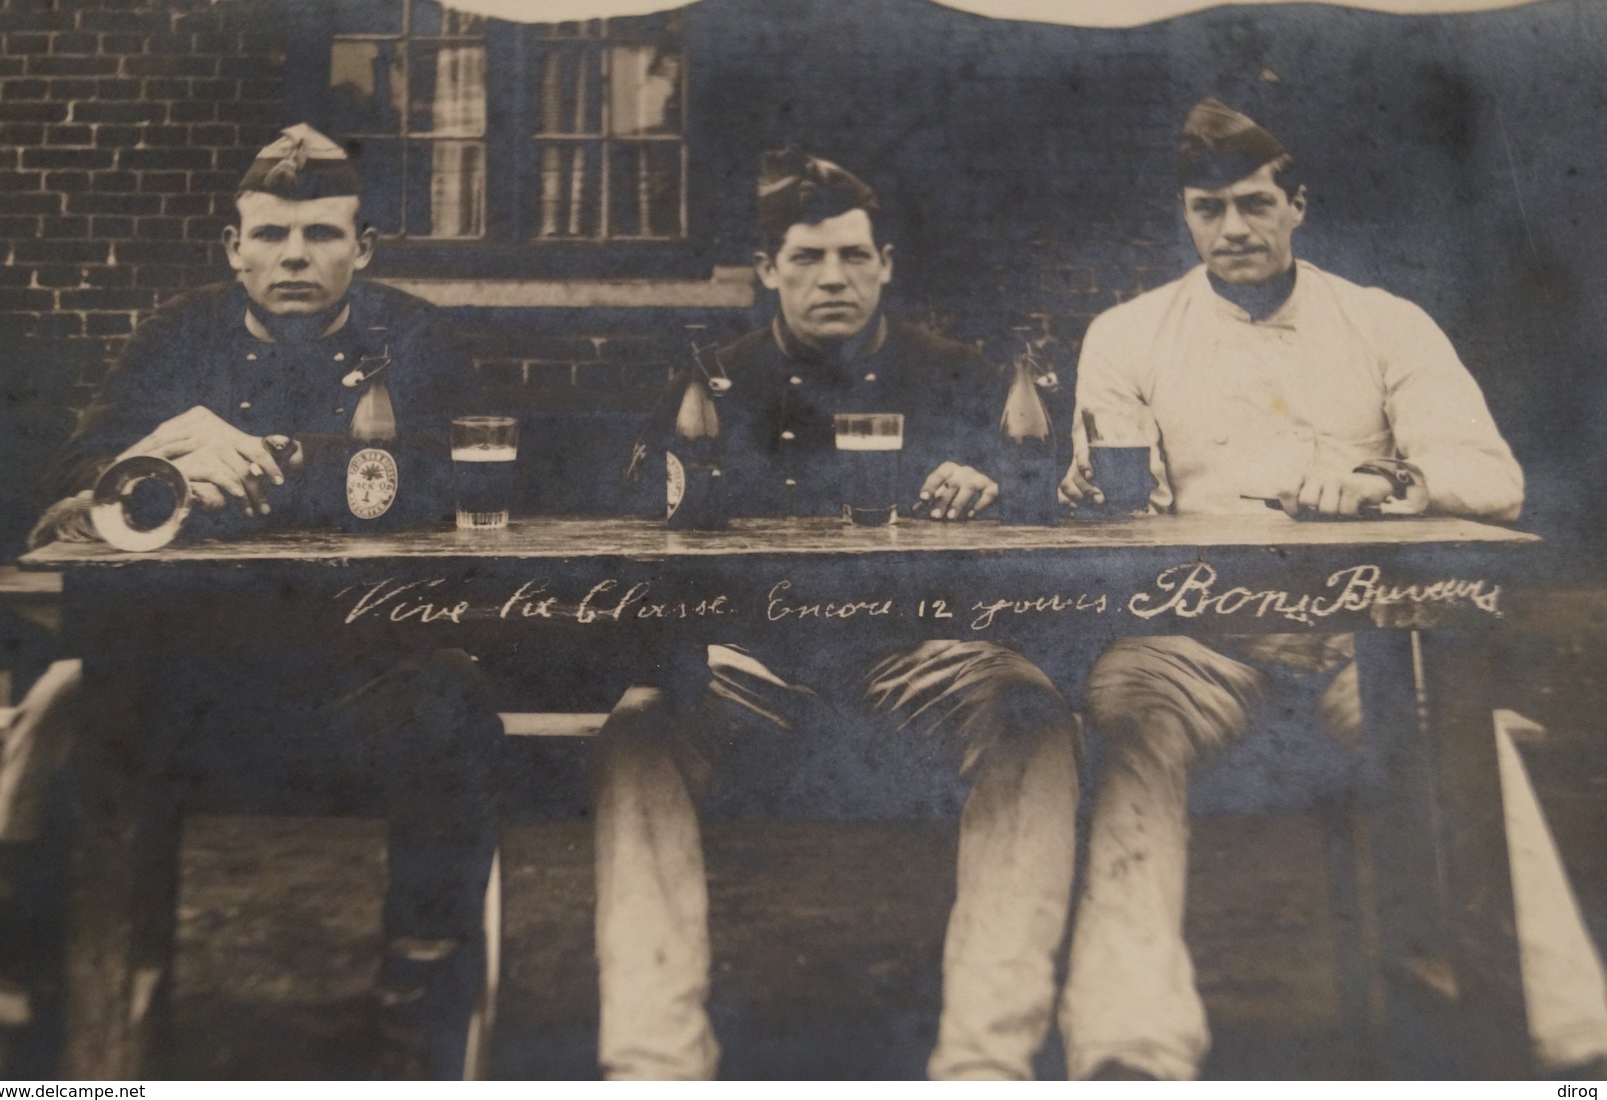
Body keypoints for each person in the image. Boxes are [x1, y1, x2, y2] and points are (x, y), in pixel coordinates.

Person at [1057, 98, 1607, 1080]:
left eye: (1254, 203)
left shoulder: (1382, 321)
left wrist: (1383, 486)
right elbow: (1109, 505)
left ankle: (1573, 1036)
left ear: (1297, 204)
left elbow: (1493, 477)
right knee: (1126, 718)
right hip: (1197, 644)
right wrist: (1096, 498)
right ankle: (1127, 1045)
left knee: (1456, 726)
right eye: (1207, 208)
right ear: (1184, 216)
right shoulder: (1128, 334)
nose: (1232, 229)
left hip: (1365, 641)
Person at [0, 125, 505, 1080]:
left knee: (452, 704)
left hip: (361, 682)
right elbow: (62, 497)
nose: (294, 256)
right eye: (268, 235)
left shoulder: (418, 336)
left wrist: (274, 463)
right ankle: (46, 1031)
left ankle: (416, 1034)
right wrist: (158, 459)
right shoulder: (176, 336)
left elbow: (445, 486)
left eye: (319, 233)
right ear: (234, 246)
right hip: (188, 683)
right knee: (61, 710)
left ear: (364, 247)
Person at [596, 148, 1080, 1080]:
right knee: (635, 734)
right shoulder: (713, 383)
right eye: (809, 259)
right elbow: (632, 515)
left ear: (886, 264)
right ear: (768, 268)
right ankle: (652, 1061)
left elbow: (1043, 485)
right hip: (750, 670)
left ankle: (987, 1060)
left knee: (1033, 713)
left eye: (854, 258)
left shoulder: (959, 374)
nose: (833, 279)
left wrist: (996, 482)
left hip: (919, 667)